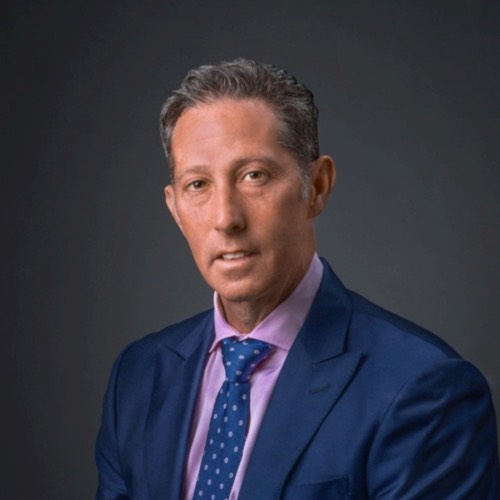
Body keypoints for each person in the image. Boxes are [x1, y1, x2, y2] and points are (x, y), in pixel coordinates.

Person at [95, 58, 500, 499]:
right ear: (175, 208)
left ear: (317, 186)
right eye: (198, 184)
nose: (226, 218)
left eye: (254, 176)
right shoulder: (139, 376)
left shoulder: (424, 386)